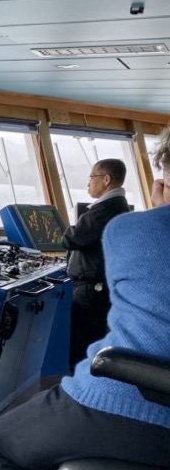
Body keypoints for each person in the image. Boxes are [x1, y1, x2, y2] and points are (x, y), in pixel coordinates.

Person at [0, 128, 170, 470]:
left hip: (131, 401)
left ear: (160, 180)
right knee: (51, 438)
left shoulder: (131, 231)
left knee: (1, 442)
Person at [62, 158, 131, 370]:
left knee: (82, 347)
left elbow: (71, 238)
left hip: (92, 292)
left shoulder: (105, 209)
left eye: (92, 177)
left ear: (106, 179)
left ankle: (79, 395)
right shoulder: (117, 206)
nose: (88, 183)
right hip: (100, 290)